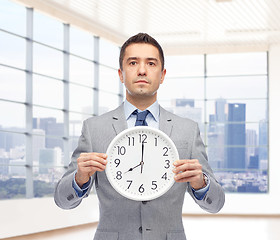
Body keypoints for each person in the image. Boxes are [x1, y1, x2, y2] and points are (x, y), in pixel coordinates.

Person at [54, 33, 225, 240]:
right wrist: (79, 178)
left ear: (162, 75)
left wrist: (201, 182)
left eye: (151, 63)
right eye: (133, 62)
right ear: (121, 74)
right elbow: (63, 201)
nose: (142, 70)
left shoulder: (186, 130)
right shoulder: (94, 128)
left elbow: (216, 204)